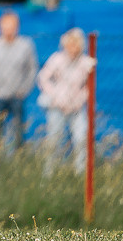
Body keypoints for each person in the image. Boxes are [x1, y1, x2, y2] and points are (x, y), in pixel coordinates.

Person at [36, 27, 96, 174]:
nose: (72, 47)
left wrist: (80, 99)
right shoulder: (56, 59)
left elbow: (89, 86)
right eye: (70, 44)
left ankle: (80, 172)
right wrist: (55, 96)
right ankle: (49, 173)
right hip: (57, 107)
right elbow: (43, 78)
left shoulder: (86, 63)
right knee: (54, 139)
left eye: (76, 44)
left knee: (81, 138)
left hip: (76, 108)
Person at [0, 10, 38, 148]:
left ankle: (19, 161)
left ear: (17, 27)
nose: (8, 29)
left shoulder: (26, 45)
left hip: (17, 96)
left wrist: (24, 90)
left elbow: (32, 69)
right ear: (0, 26)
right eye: (5, 26)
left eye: (11, 26)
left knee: (18, 133)